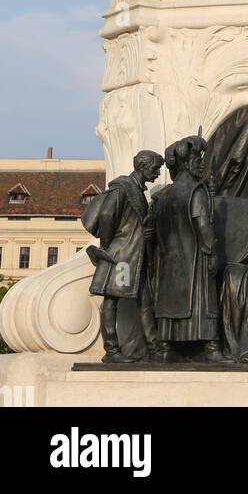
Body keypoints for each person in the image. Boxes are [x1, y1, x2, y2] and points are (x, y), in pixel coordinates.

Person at [84, 148, 164, 363]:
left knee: (145, 300)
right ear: (143, 167)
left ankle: (154, 349)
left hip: (136, 256)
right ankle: (112, 351)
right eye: (155, 169)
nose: (157, 174)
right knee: (112, 300)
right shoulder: (123, 187)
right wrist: (108, 247)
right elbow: (107, 214)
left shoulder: (136, 190)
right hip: (122, 256)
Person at [152, 134, 223, 362]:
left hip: (168, 261)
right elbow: (203, 225)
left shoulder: (162, 196)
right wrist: (212, 252)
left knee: (170, 301)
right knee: (202, 300)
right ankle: (211, 347)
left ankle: (165, 347)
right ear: (185, 163)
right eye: (197, 160)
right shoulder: (196, 192)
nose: (200, 165)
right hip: (194, 258)